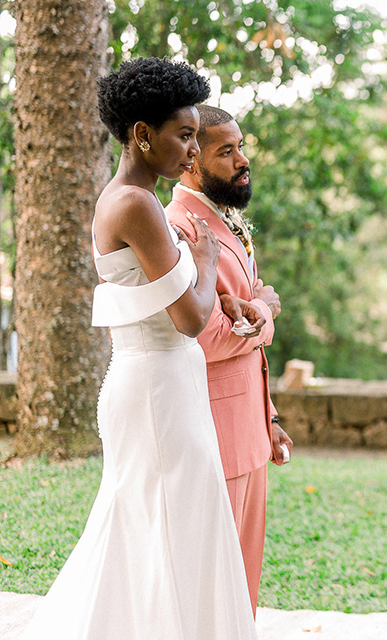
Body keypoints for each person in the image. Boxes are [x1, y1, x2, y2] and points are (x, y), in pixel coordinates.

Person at [21, 58, 257, 639]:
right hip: (158, 389)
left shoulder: (123, 198)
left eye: (196, 138)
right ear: (142, 135)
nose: (193, 153)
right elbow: (187, 316)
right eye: (183, 137)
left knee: (156, 530)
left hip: (159, 382)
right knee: (168, 532)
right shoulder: (137, 203)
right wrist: (205, 267)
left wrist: (216, 295)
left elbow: (152, 295)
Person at [165, 104, 292, 615]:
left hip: (249, 428)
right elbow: (208, 334)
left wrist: (271, 417)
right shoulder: (180, 227)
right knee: (217, 580)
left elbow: (250, 320)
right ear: (192, 160)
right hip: (215, 432)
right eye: (227, 151)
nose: (242, 160)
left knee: (244, 578)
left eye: (241, 148)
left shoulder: (224, 218)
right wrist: (264, 308)